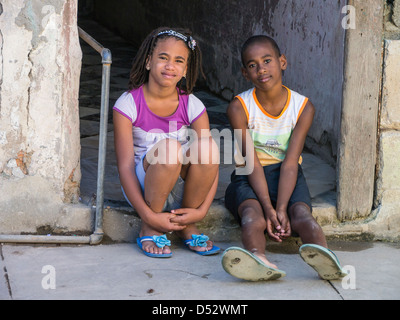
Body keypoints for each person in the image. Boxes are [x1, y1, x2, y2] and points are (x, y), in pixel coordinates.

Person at [222, 35, 347, 280]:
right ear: (245, 73)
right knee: (252, 217)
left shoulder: (303, 107)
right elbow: (251, 162)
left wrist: (282, 208)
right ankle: (257, 259)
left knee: (301, 215)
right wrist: (269, 209)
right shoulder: (239, 107)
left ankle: (326, 259)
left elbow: (291, 163)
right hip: (248, 176)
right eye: (252, 65)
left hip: (287, 175)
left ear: (282, 62)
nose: (261, 69)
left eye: (267, 60)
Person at [113, 27, 220, 258]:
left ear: (184, 70)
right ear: (149, 61)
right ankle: (151, 227)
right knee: (171, 149)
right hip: (144, 185)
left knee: (208, 147)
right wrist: (148, 216)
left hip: (179, 183)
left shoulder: (192, 105)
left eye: (178, 60)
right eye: (163, 57)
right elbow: (124, 167)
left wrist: (201, 211)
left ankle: (187, 224)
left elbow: (212, 163)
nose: (170, 65)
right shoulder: (128, 104)